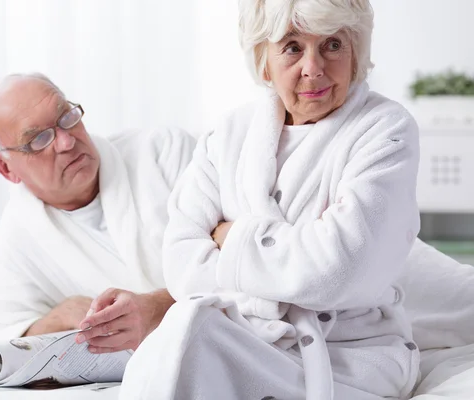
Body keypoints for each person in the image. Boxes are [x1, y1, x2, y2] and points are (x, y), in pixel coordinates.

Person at [120, 0, 421, 399]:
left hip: (348, 351)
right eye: (292, 47)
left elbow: (339, 268)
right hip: (244, 334)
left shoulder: (385, 129)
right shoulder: (228, 134)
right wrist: (295, 259)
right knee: (185, 328)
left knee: (192, 341)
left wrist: (231, 236)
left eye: (332, 45)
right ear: (264, 60)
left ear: (356, 52)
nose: (313, 67)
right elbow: (181, 265)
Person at [0, 73, 196, 354]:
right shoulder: (18, 236)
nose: (66, 142)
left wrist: (157, 308)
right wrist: (58, 318)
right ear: (6, 169)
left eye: (66, 117)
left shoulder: (163, 152)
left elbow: (237, 257)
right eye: (39, 139)